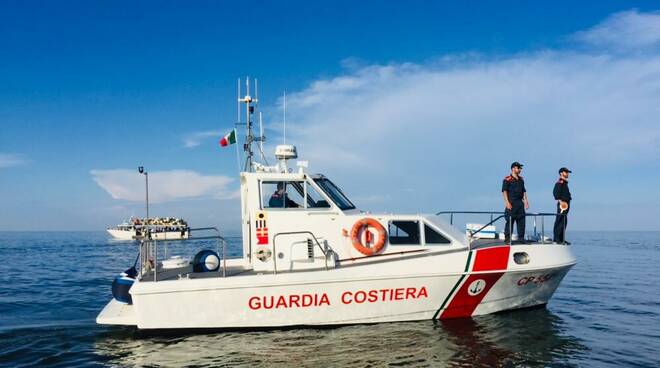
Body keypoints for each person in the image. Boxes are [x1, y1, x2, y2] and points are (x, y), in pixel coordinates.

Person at [502, 162, 529, 244]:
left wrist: (526, 201)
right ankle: (507, 239)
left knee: (521, 222)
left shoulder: (521, 179)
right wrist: (507, 202)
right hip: (511, 203)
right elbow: (504, 191)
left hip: (520, 204)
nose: (520, 169)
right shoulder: (507, 179)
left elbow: (523, 191)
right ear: (513, 168)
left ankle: (521, 238)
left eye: (520, 168)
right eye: (518, 168)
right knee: (510, 221)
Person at [553, 167, 572, 244]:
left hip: (566, 204)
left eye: (567, 172)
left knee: (564, 221)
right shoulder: (560, 182)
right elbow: (555, 193)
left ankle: (561, 239)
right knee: (559, 220)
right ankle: (557, 239)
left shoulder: (564, 183)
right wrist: (561, 202)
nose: (567, 174)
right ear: (561, 173)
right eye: (566, 172)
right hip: (563, 205)